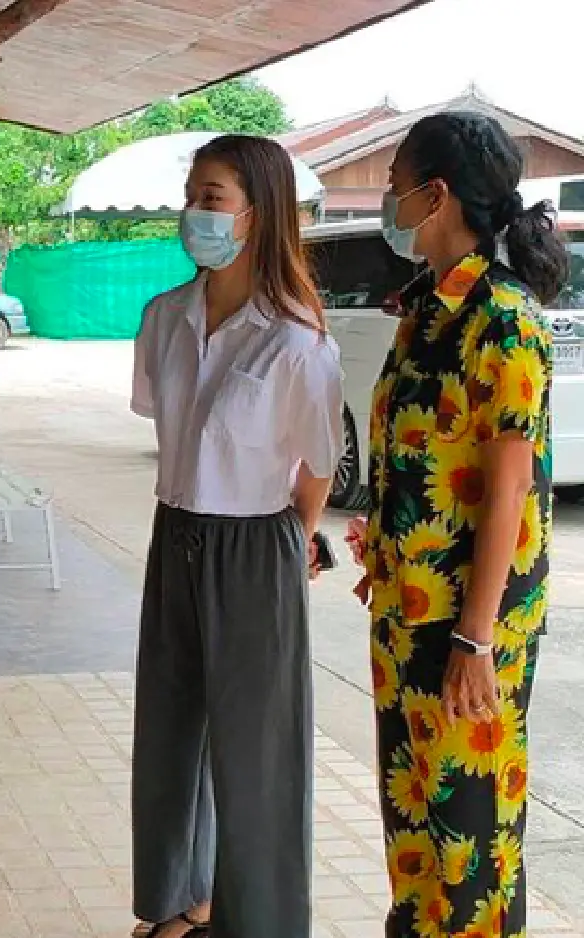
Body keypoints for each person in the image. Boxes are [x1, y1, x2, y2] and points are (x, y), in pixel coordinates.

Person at [347, 112, 566, 938]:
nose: (389, 202)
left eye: (395, 183)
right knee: (417, 834)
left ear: (434, 194)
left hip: (469, 629)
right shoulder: (428, 312)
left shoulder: (504, 317)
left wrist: (475, 641)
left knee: (468, 836)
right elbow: (426, 458)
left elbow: (510, 490)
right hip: (408, 616)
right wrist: (391, 543)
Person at [129, 134, 344, 938]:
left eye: (213, 198)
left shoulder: (298, 342)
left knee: (258, 753)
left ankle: (260, 922)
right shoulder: (164, 318)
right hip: (175, 536)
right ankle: (182, 904)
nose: (196, 213)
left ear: (261, 212)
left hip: (258, 544)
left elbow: (317, 465)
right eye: (193, 196)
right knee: (171, 733)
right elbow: (165, 426)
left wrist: (291, 543)